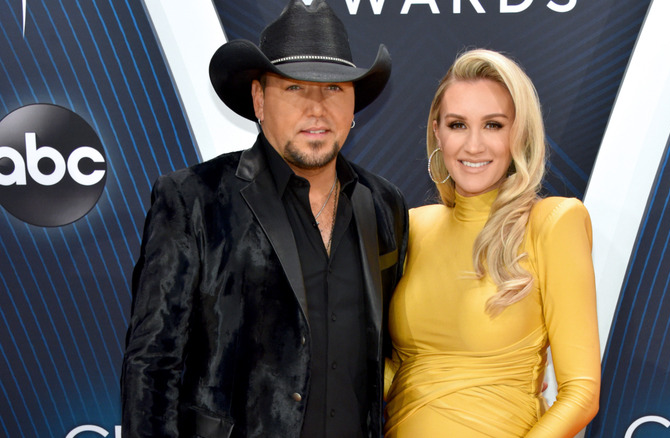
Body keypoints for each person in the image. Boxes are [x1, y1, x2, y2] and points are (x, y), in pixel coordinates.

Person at [120, 1, 408, 437]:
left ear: (353, 105)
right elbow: (152, 366)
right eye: (295, 88)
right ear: (258, 98)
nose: (317, 108)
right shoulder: (194, 199)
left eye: (334, 89)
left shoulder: (383, 203)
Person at [384, 49, 600, 437]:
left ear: (520, 132)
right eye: (457, 125)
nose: (473, 146)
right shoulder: (410, 226)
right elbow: (400, 374)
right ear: (437, 131)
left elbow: (581, 393)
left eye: (494, 125)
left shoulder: (552, 223)